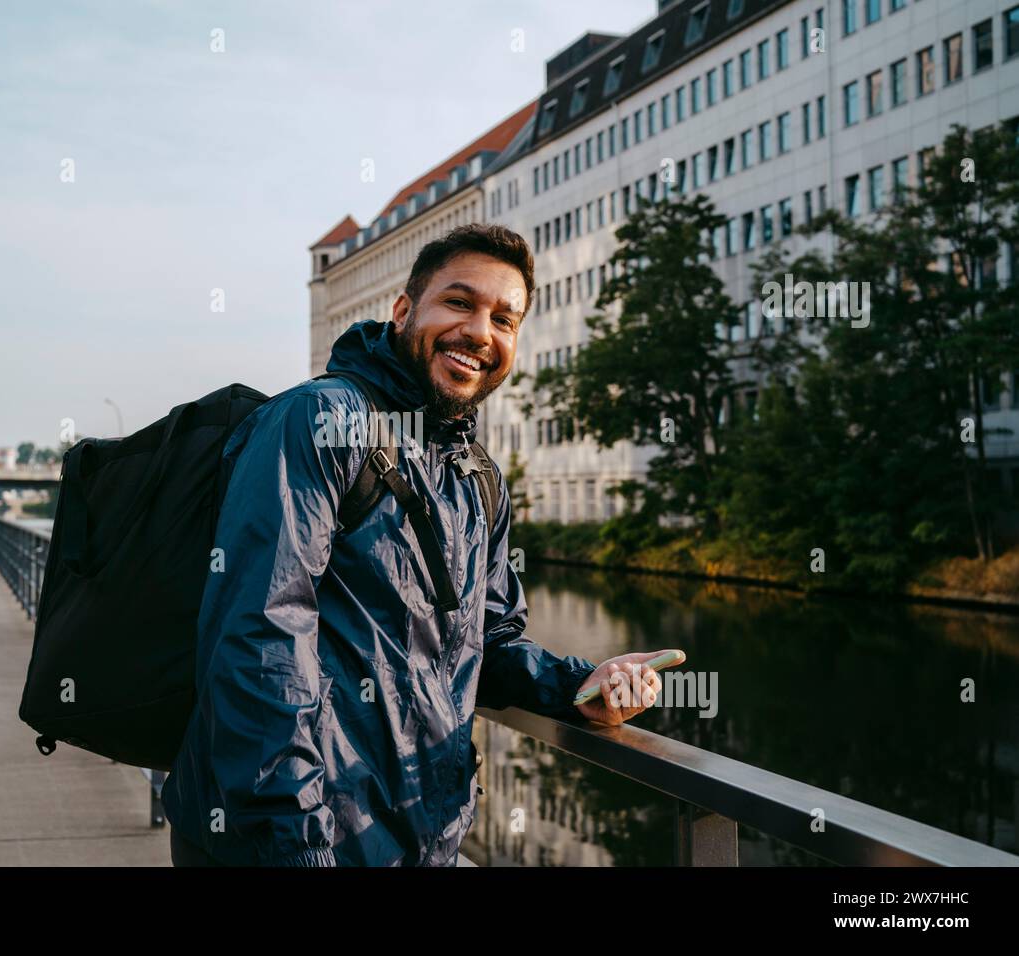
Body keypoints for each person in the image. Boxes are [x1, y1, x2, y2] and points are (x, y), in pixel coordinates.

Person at [164, 224, 676, 867]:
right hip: (286, 845)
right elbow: (258, 639)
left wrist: (578, 687)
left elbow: (485, 647)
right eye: (459, 303)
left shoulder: (478, 476)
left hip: (416, 843)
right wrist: (298, 845)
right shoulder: (323, 420)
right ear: (405, 311)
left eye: (504, 319)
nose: (480, 333)